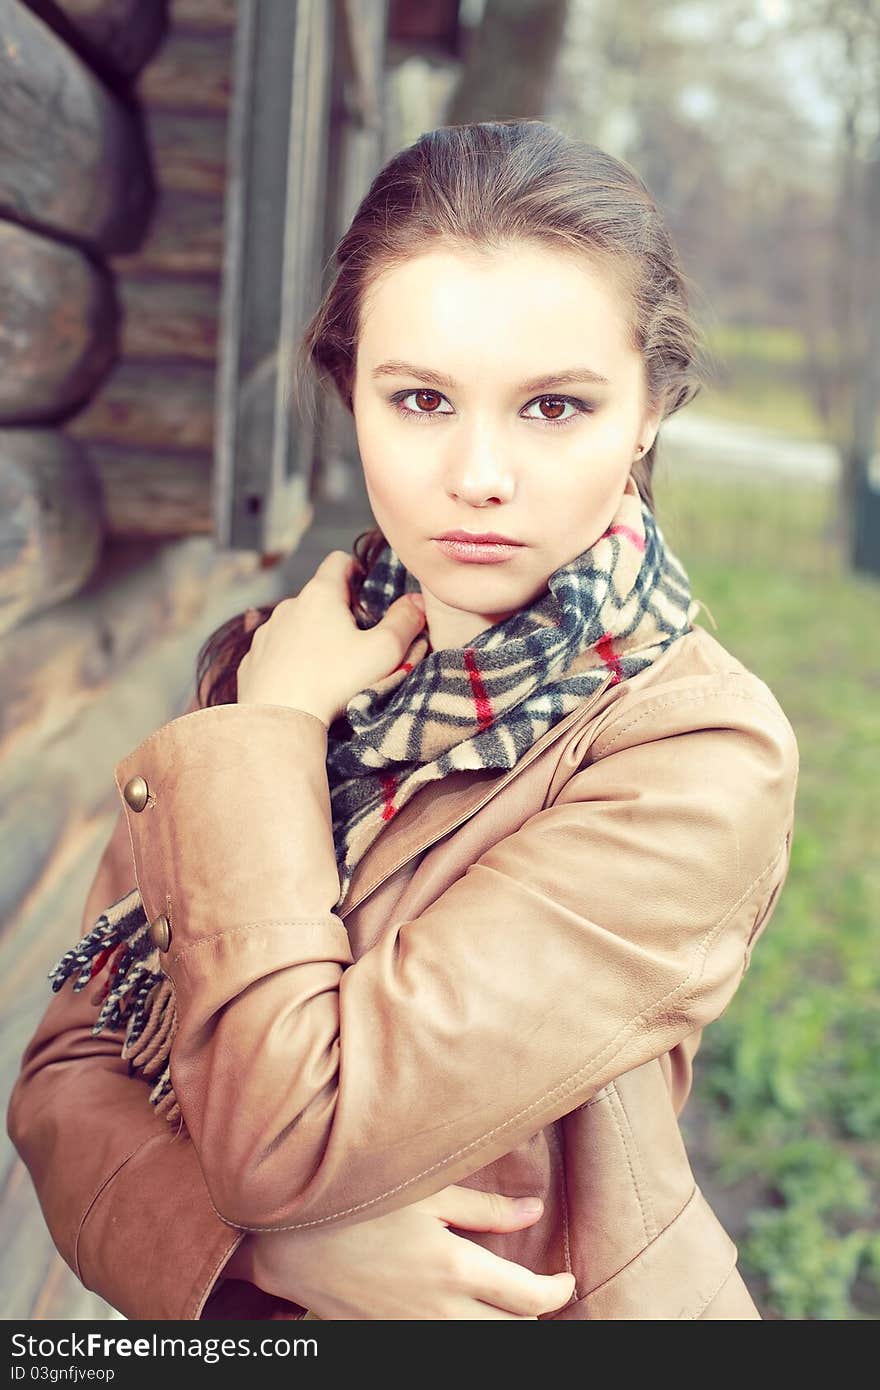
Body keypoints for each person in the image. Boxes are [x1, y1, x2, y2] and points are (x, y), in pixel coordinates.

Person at [7, 119, 799, 1320]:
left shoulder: (694, 755)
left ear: (647, 410)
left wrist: (269, 735)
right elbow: (67, 1078)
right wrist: (252, 1259)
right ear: (351, 393)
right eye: (422, 397)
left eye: (553, 407)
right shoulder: (282, 665)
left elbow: (291, 1140)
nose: (477, 474)